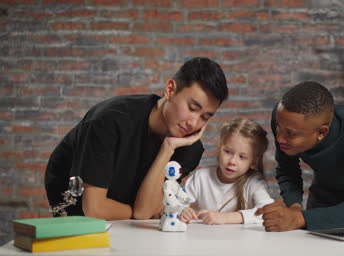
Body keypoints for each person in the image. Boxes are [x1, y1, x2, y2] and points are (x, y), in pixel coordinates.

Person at [44, 57, 229, 220]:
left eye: (205, 117)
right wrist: (141, 211)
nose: (194, 122)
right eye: (192, 108)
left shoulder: (188, 146)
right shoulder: (109, 120)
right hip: (77, 206)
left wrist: (168, 148)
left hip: (126, 215)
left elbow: (145, 212)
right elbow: (95, 209)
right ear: (170, 89)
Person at [256, 81, 344, 232]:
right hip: (325, 196)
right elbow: (287, 168)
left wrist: (299, 218)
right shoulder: (284, 118)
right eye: (278, 127)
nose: (279, 139)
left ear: (322, 133)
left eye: (290, 134)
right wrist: (294, 208)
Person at [180, 118, 274, 225]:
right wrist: (182, 210)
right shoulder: (201, 177)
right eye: (228, 152)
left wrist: (226, 218)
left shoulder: (254, 182)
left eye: (242, 157)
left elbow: (269, 211)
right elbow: (175, 203)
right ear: (219, 148)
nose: (232, 161)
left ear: (253, 162)